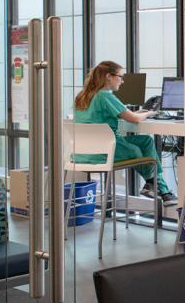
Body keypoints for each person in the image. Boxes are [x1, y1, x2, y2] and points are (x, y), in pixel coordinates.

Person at [74, 61, 177, 207]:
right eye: (120, 77)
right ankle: (156, 187)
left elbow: (107, 116)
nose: (122, 81)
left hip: (82, 152)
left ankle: (160, 190)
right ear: (108, 76)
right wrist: (148, 113)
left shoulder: (83, 96)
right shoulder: (104, 96)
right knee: (136, 151)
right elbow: (134, 119)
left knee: (146, 141)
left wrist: (133, 114)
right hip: (104, 152)